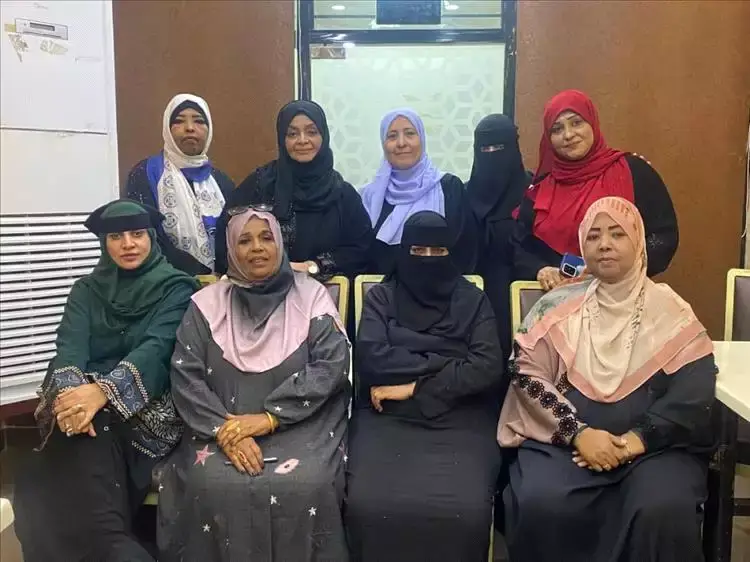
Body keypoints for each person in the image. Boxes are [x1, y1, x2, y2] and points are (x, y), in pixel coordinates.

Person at [498, 197, 716, 562]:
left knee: (660, 508)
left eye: (617, 234)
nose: (604, 244)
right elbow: (525, 373)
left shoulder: (670, 310)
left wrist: (635, 440)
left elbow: (694, 391)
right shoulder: (556, 307)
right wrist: (579, 433)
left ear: (638, 242)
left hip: (653, 449)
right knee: (542, 501)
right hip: (565, 444)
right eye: (594, 236)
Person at [157, 208, 351, 562]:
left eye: (266, 238)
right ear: (231, 250)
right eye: (244, 241)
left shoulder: (311, 297)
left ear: (280, 245)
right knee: (210, 482)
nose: (257, 248)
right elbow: (186, 375)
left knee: (306, 483)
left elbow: (331, 366)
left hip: (302, 424)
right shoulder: (206, 304)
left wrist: (270, 418)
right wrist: (223, 429)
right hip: (220, 425)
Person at [12, 200, 199, 562]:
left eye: (137, 234)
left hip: (147, 404)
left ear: (151, 238)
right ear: (104, 243)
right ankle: (112, 546)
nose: (128, 244)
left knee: (72, 452)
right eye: (116, 236)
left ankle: (107, 544)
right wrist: (74, 401)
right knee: (38, 476)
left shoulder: (177, 288)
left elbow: (156, 349)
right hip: (82, 403)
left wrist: (102, 393)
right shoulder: (86, 290)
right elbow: (69, 347)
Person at [345, 211, 503, 561]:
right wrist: (449, 361)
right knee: (367, 504)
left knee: (465, 511)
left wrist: (415, 386)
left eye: (438, 251)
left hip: (461, 416)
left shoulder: (472, 300)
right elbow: (373, 359)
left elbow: (487, 367)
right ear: (404, 251)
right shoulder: (381, 297)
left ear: (451, 253)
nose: (428, 259)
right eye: (418, 251)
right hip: (388, 415)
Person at [511, 89, 678, 291]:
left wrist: (621, 269)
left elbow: (664, 235)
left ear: (592, 123)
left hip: (623, 294)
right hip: (558, 298)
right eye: (557, 129)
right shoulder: (541, 190)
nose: (568, 135)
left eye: (576, 123)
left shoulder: (633, 171)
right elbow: (519, 247)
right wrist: (540, 269)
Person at [214, 100, 372, 279]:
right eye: (292, 134)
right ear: (282, 138)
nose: (303, 140)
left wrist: (314, 266)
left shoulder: (342, 194)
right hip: (262, 290)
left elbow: (360, 250)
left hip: (325, 291)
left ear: (323, 136)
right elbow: (227, 238)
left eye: (312, 132)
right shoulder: (260, 185)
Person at [126, 93, 235, 275]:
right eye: (179, 121)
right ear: (167, 129)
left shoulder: (221, 182)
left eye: (199, 121)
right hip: (166, 282)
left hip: (220, 283)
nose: (190, 128)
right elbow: (145, 235)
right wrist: (195, 273)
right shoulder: (146, 173)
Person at [361, 108, 478, 274]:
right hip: (380, 289)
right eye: (392, 136)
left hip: (441, 288)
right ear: (383, 143)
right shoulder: (368, 197)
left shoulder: (449, 188)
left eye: (410, 133)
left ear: (422, 139)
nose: (401, 143)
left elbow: (465, 253)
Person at [467, 114, 530, 358]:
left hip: (523, 308)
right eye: (485, 149)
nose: (492, 154)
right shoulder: (462, 196)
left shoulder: (534, 194)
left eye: (500, 148)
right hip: (471, 311)